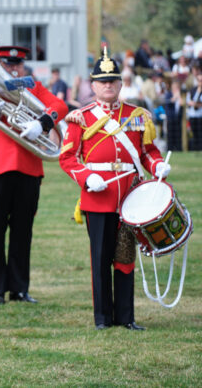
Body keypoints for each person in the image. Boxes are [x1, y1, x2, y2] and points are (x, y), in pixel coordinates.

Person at [59, 48, 168, 330]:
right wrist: (86, 178)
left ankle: (126, 317)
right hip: (97, 196)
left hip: (130, 197)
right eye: (102, 81)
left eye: (113, 81)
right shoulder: (80, 117)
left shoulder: (137, 115)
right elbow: (68, 157)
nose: (108, 85)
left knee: (126, 258)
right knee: (100, 259)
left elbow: (148, 151)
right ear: (93, 85)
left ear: (120, 84)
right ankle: (103, 319)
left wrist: (156, 166)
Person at [0, 45, 68, 304]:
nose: (12, 69)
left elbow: (60, 106)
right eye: (7, 64)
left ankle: (20, 288)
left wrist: (41, 123)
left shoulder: (32, 86)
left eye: (17, 65)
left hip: (28, 167)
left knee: (23, 230)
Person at [164, 79, 183, 151]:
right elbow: (170, 101)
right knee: (170, 135)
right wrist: (176, 96)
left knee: (178, 135)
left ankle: (178, 149)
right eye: (174, 87)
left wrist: (179, 97)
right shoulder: (169, 94)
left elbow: (182, 104)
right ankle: (170, 149)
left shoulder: (180, 95)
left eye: (177, 87)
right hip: (171, 118)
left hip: (178, 118)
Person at [186, 64, 202, 150]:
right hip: (193, 115)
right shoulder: (193, 90)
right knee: (194, 134)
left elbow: (197, 103)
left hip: (200, 116)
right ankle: (196, 149)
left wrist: (195, 104)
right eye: (199, 81)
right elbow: (189, 101)